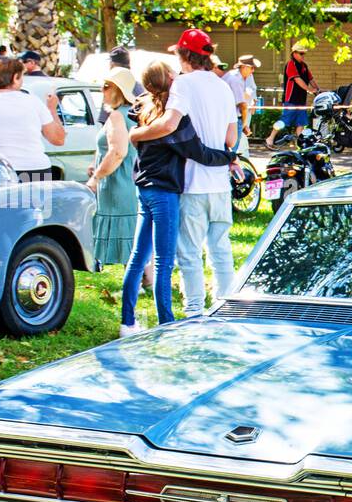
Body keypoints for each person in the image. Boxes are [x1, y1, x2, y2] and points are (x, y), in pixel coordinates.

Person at [129, 28, 239, 318]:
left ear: (183, 55)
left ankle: (194, 311)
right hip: (219, 182)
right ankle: (225, 306)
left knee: (189, 252)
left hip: (191, 182)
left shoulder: (184, 85)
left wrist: (138, 134)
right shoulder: (223, 86)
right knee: (221, 249)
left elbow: (167, 125)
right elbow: (230, 139)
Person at [0, 56, 65, 182]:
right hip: (36, 168)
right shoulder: (33, 101)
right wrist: (52, 109)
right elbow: (58, 139)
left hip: (1, 169)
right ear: (15, 78)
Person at [87, 68, 140, 268]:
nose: (102, 91)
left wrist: (96, 178)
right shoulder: (130, 114)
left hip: (119, 184)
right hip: (126, 183)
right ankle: (144, 283)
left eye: (106, 86)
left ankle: (142, 284)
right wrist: (95, 165)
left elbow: (118, 152)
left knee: (130, 240)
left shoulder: (118, 116)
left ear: (118, 90)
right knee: (134, 240)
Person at [264, 41, 318, 148]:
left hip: (301, 100)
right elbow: (297, 80)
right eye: (301, 53)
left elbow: (311, 79)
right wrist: (310, 90)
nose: (303, 55)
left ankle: (301, 145)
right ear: (294, 53)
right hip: (291, 99)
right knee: (283, 121)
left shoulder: (304, 66)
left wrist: (318, 90)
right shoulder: (290, 64)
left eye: (304, 53)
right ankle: (270, 138)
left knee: (301, 123)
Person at [223, 55, 260, 158]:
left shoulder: (230, 75)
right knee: (231, 153)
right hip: (233, 120)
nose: (253, 71)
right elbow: (243, 105)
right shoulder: (236, 80)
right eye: (252, 68)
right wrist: (244, 124)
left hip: (225, 118)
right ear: (244, 67)